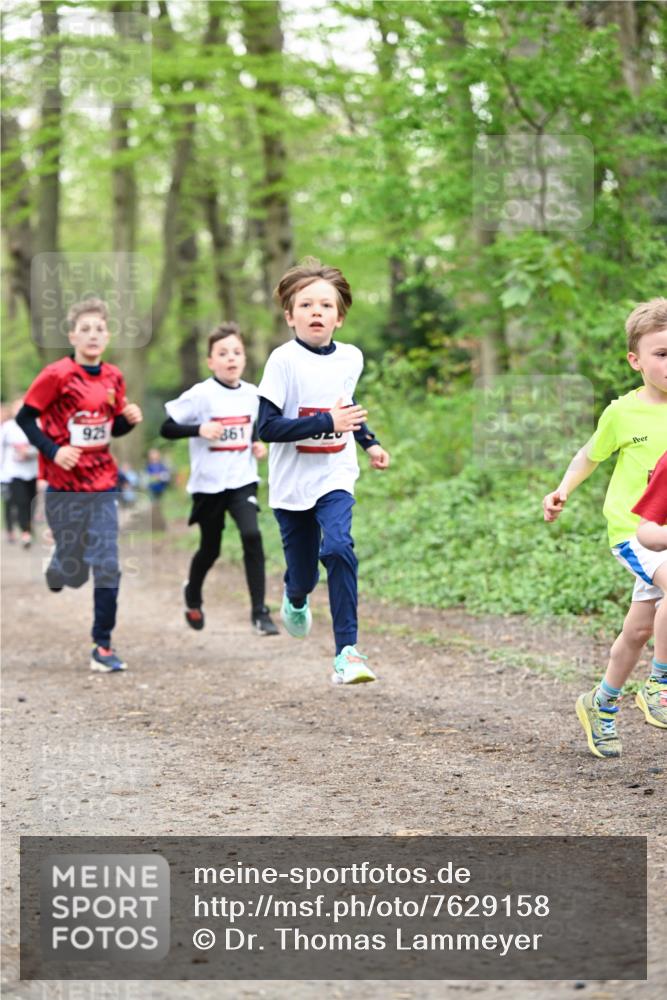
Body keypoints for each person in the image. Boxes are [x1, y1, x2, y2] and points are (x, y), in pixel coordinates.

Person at [543, 298, 667, 757]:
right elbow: (589, 455)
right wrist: (562, 490)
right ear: (635, 361)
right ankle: (660, 686)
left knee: (638, 631)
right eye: (662, 354)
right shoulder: (623, 413)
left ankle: (602, 703)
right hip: (633, 530)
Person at [257, 257, 390, 685]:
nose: (317, 312)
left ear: (340, 317)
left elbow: (344, 408)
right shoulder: (282, 362)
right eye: (307, 305)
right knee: (304, 575)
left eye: (326, 306)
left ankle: (347, 652)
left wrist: (369, 442)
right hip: (291, 484)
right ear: (290, 315)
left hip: (334, 474)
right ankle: (295, 596)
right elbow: (268, 427)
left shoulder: (350, 358)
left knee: (338, 548)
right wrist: (324, 424)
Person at [16, 296, 143, 673]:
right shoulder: (55, 375)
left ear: (107, 336)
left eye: (99, 329)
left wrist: (128, 420)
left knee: (107, 564)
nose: (92, 335)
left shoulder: (114, 377)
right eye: (85, 329)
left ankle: (102, 645)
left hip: (103, 483)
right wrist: (53, 451)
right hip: (62, 487)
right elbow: (25, 419)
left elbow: (109, 426)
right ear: (72, 335)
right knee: (73, 572)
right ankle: (60, 565)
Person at [161, 322, 279, 636]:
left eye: (236, 352)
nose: (231, 358)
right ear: (211, 361)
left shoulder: (254, 394)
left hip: (242, 480)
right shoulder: (201, 395)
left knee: (252, 536)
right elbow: (167, 428)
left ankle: (259, 612)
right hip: (208, 484)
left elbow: (252, 426)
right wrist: (198, 429)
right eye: (223, 353)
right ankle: (193, 593)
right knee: (210, 549)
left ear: (244, 358)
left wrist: (257, 443)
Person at [631, 449, 667, 728]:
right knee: (635, 634)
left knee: (636, 631)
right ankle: (660, 680)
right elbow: (646, 531)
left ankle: (602, 699)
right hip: (654, 551)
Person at [1, 397, 39, 547]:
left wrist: (29, 452)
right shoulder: (8, 427)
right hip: (13, 472)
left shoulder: (36, 424)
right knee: (20, 501)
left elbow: (42, 446)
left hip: (32, 471)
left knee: (31, 502)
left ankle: (28, 528)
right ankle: (25, 532)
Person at [144, 448, 171, 531]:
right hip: (152, 489)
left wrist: (160, 476)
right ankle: (154, 526)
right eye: (152, 454)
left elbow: (167, 477)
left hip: (161, 489)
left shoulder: (162, 466)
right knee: (153, 506)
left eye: (155, 454)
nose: (154, 456)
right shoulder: (148, 467)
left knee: (160, 506)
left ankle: (162, 525)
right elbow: (146, 478)